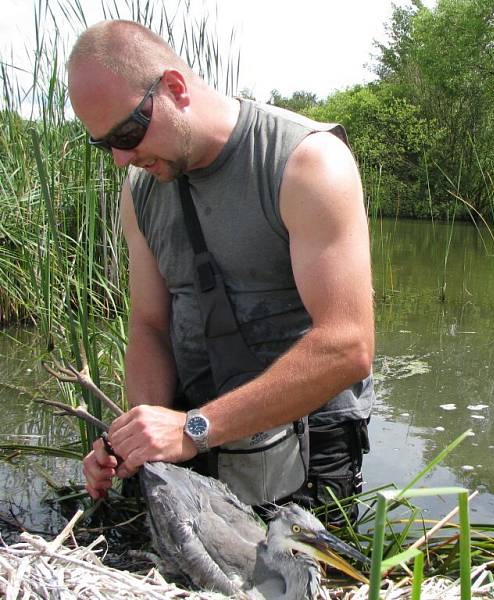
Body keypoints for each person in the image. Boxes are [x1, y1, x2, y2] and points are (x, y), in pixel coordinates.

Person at [67, 20, 375, 522]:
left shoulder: (307, 163)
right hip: (195, 433)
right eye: (106, 145)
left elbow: (347, 347)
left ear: (175, 89)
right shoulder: (140, 190)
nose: (123, 158)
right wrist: (137, 438)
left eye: (128, 132)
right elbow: (149, 325)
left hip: (306, 447)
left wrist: (194, 429)